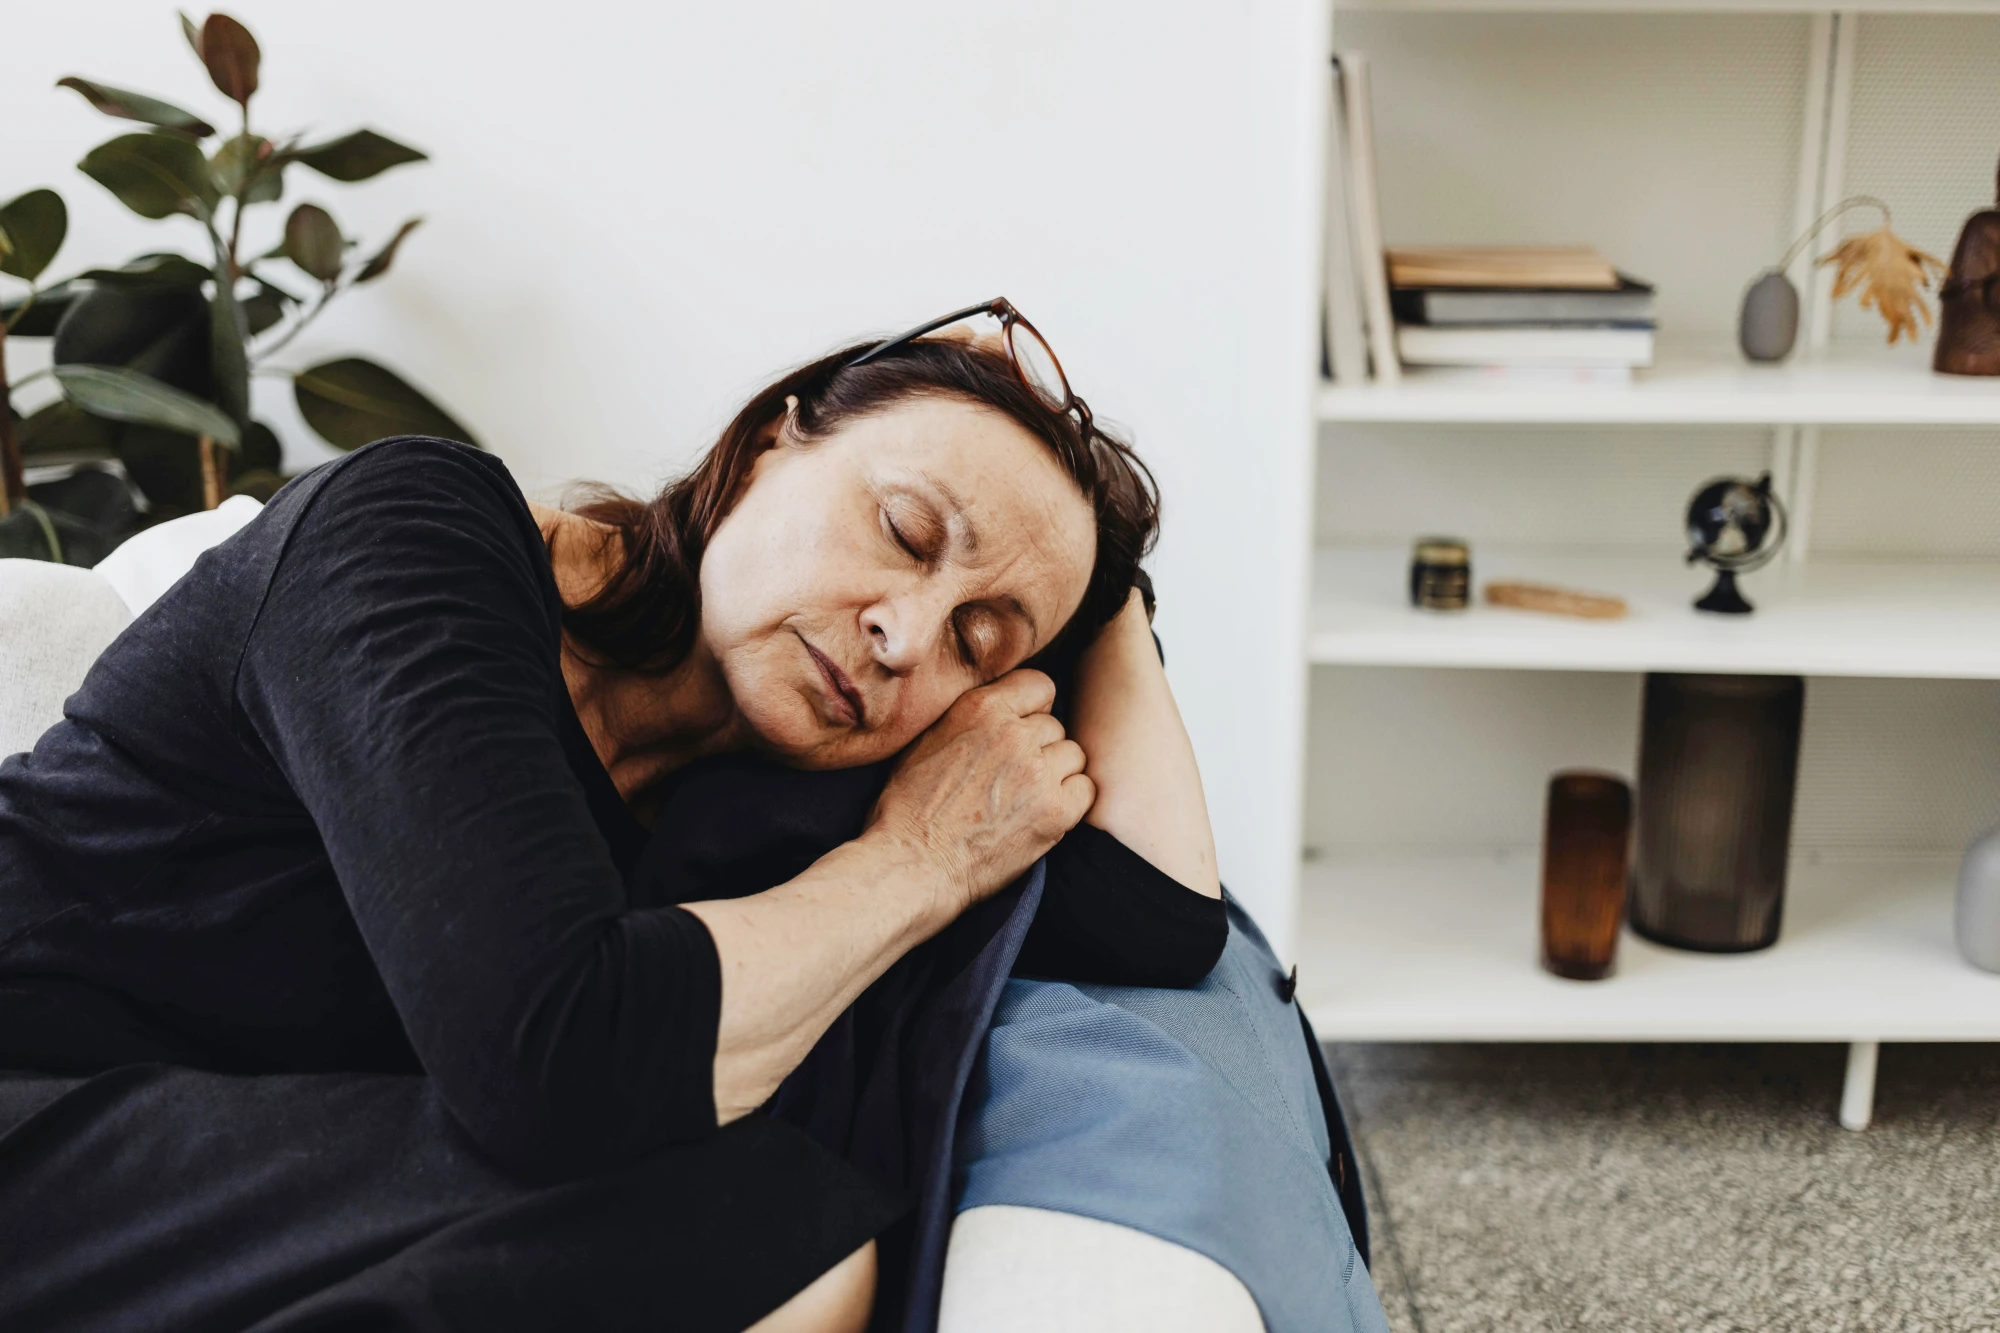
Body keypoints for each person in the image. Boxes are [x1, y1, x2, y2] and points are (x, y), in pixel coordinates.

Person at [0, 300, 1232, 1332]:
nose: (907, 638)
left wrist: (1097, 568)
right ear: (765, 447)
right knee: (769, 1232)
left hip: (220, 1182)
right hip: (32, 1088)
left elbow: (1159, 921)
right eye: (906, 530)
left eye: (978, 641)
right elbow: (555, 1058)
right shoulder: (411, 535)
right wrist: (913, 863)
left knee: (756, 1216)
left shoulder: (760, 795)